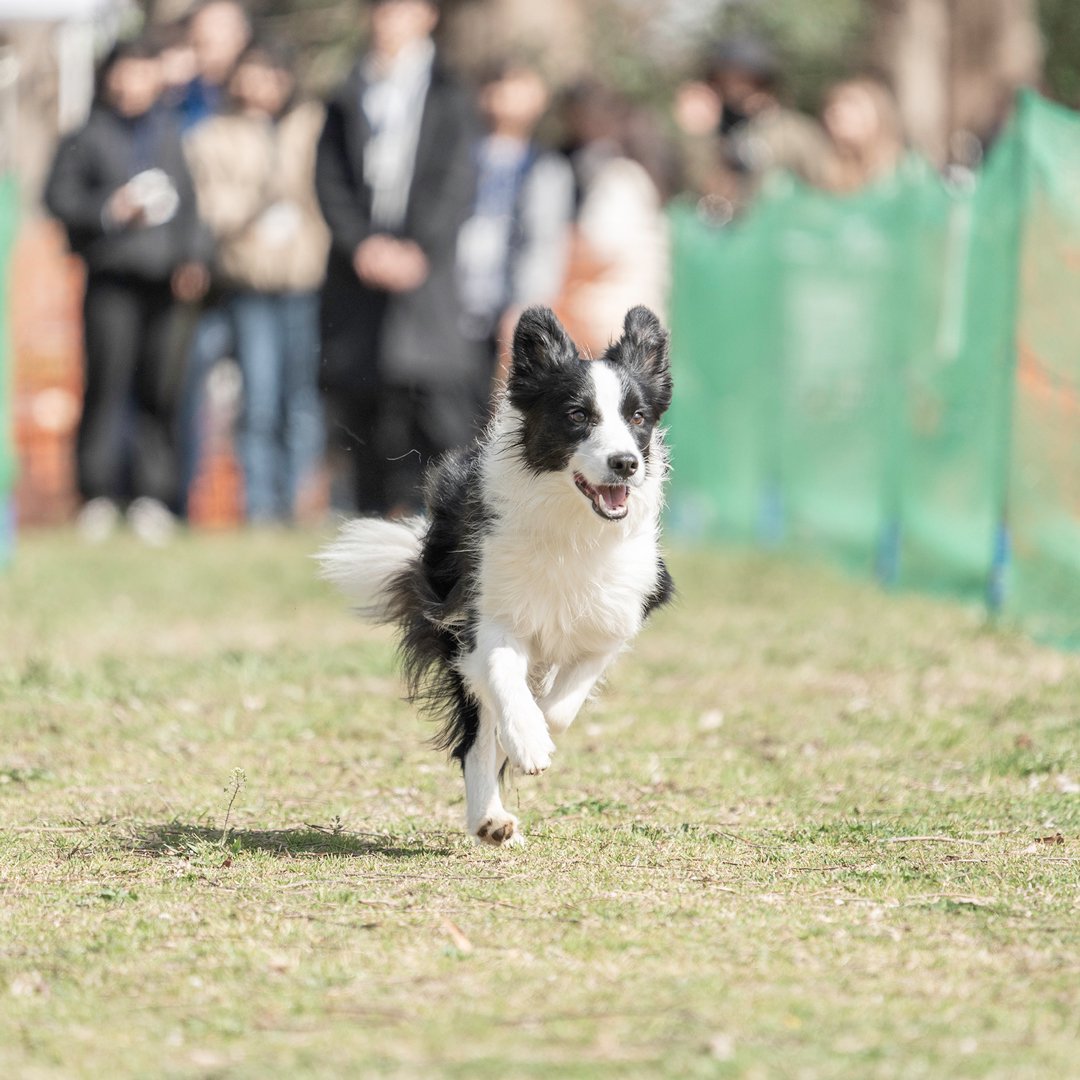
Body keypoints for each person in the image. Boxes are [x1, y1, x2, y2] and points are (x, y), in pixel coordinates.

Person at [316, 0, 478, 516]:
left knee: (434, 407)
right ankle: (367, 522)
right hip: (358, 274)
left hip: (426, 280)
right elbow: (329, 179)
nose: (389, 21)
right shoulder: (346, 93)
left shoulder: (451, 94)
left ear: (427, 16)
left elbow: (455, 180)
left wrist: (417, 248)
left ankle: (443, 529)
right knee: (362, 407)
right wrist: (361, 243)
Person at [44, 37, 209, 544]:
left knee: (160, 389)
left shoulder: (167, 135)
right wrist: (109, 210)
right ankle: (96, 494)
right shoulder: (85, 135)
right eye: (123, 71)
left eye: (141, 72)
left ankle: (151, 495)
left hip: (164, 283)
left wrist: (194, 259)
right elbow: (59, 199)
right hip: (111, 278)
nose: (130, 83)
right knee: (106, 386)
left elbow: (190, 208)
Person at [186, 40, 330, 525]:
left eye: (270, 74)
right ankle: (262, 505)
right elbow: (213, 207)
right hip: (248, 281)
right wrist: (258, 202)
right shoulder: (212, 135)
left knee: (302, 397)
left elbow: (325, 192)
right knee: (260, 396)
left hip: (303, 279)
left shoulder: (307, 127)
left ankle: (299, 499)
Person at [457, 58, 574, 394]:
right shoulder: (461, 155)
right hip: (454, 304)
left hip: (506, 305)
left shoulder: (547, 168)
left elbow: (545, 242)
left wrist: (527, 307)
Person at [554, 86, 674, 356]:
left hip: (611, 328)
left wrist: (546, 242)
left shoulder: (619, 179)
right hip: (627, 326)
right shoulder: (637, 179)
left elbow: (596, 251)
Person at [674, 35, 830, 212]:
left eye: (746, 80)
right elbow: (703, 189)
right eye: (727, 81)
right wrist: (697, 135)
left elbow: (822, 188)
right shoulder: (716, 130)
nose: (737, 89)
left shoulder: (793, 132)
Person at [819, 75, 907, 194]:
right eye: (833, 106)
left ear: (879, 114)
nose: (838, 111)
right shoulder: (823, 173)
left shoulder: (906, 171)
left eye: (852, 103)